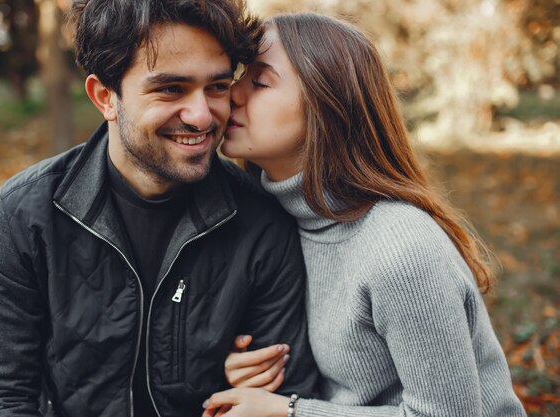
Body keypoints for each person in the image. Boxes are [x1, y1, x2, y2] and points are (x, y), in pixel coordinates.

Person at [0, 2, 319, 416]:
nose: (202, 115)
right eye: (171, 89)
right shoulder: (22, 217)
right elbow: (2, 396)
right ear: (105, 97)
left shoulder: (261, 222)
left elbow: (283, 396)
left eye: (218, 87)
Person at [202, 12, 527, 417]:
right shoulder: (280, 224)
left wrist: (288, 412)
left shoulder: (401, 251)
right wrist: (254, 372)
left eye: (261, 81)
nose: (232, 93)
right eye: (240, 75)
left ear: (328, 106)